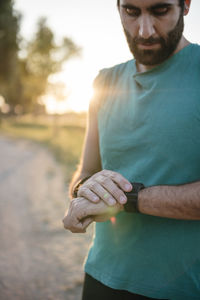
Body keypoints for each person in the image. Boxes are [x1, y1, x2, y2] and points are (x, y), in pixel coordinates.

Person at [63, 0, 200, 299]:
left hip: (184, 288)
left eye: (160, 10)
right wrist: (81, 194)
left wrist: (130, 198)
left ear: (186, 5)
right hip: (101, 278)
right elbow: (85, 173)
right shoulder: (104, 82)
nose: (145, 30)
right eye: (131, 12)